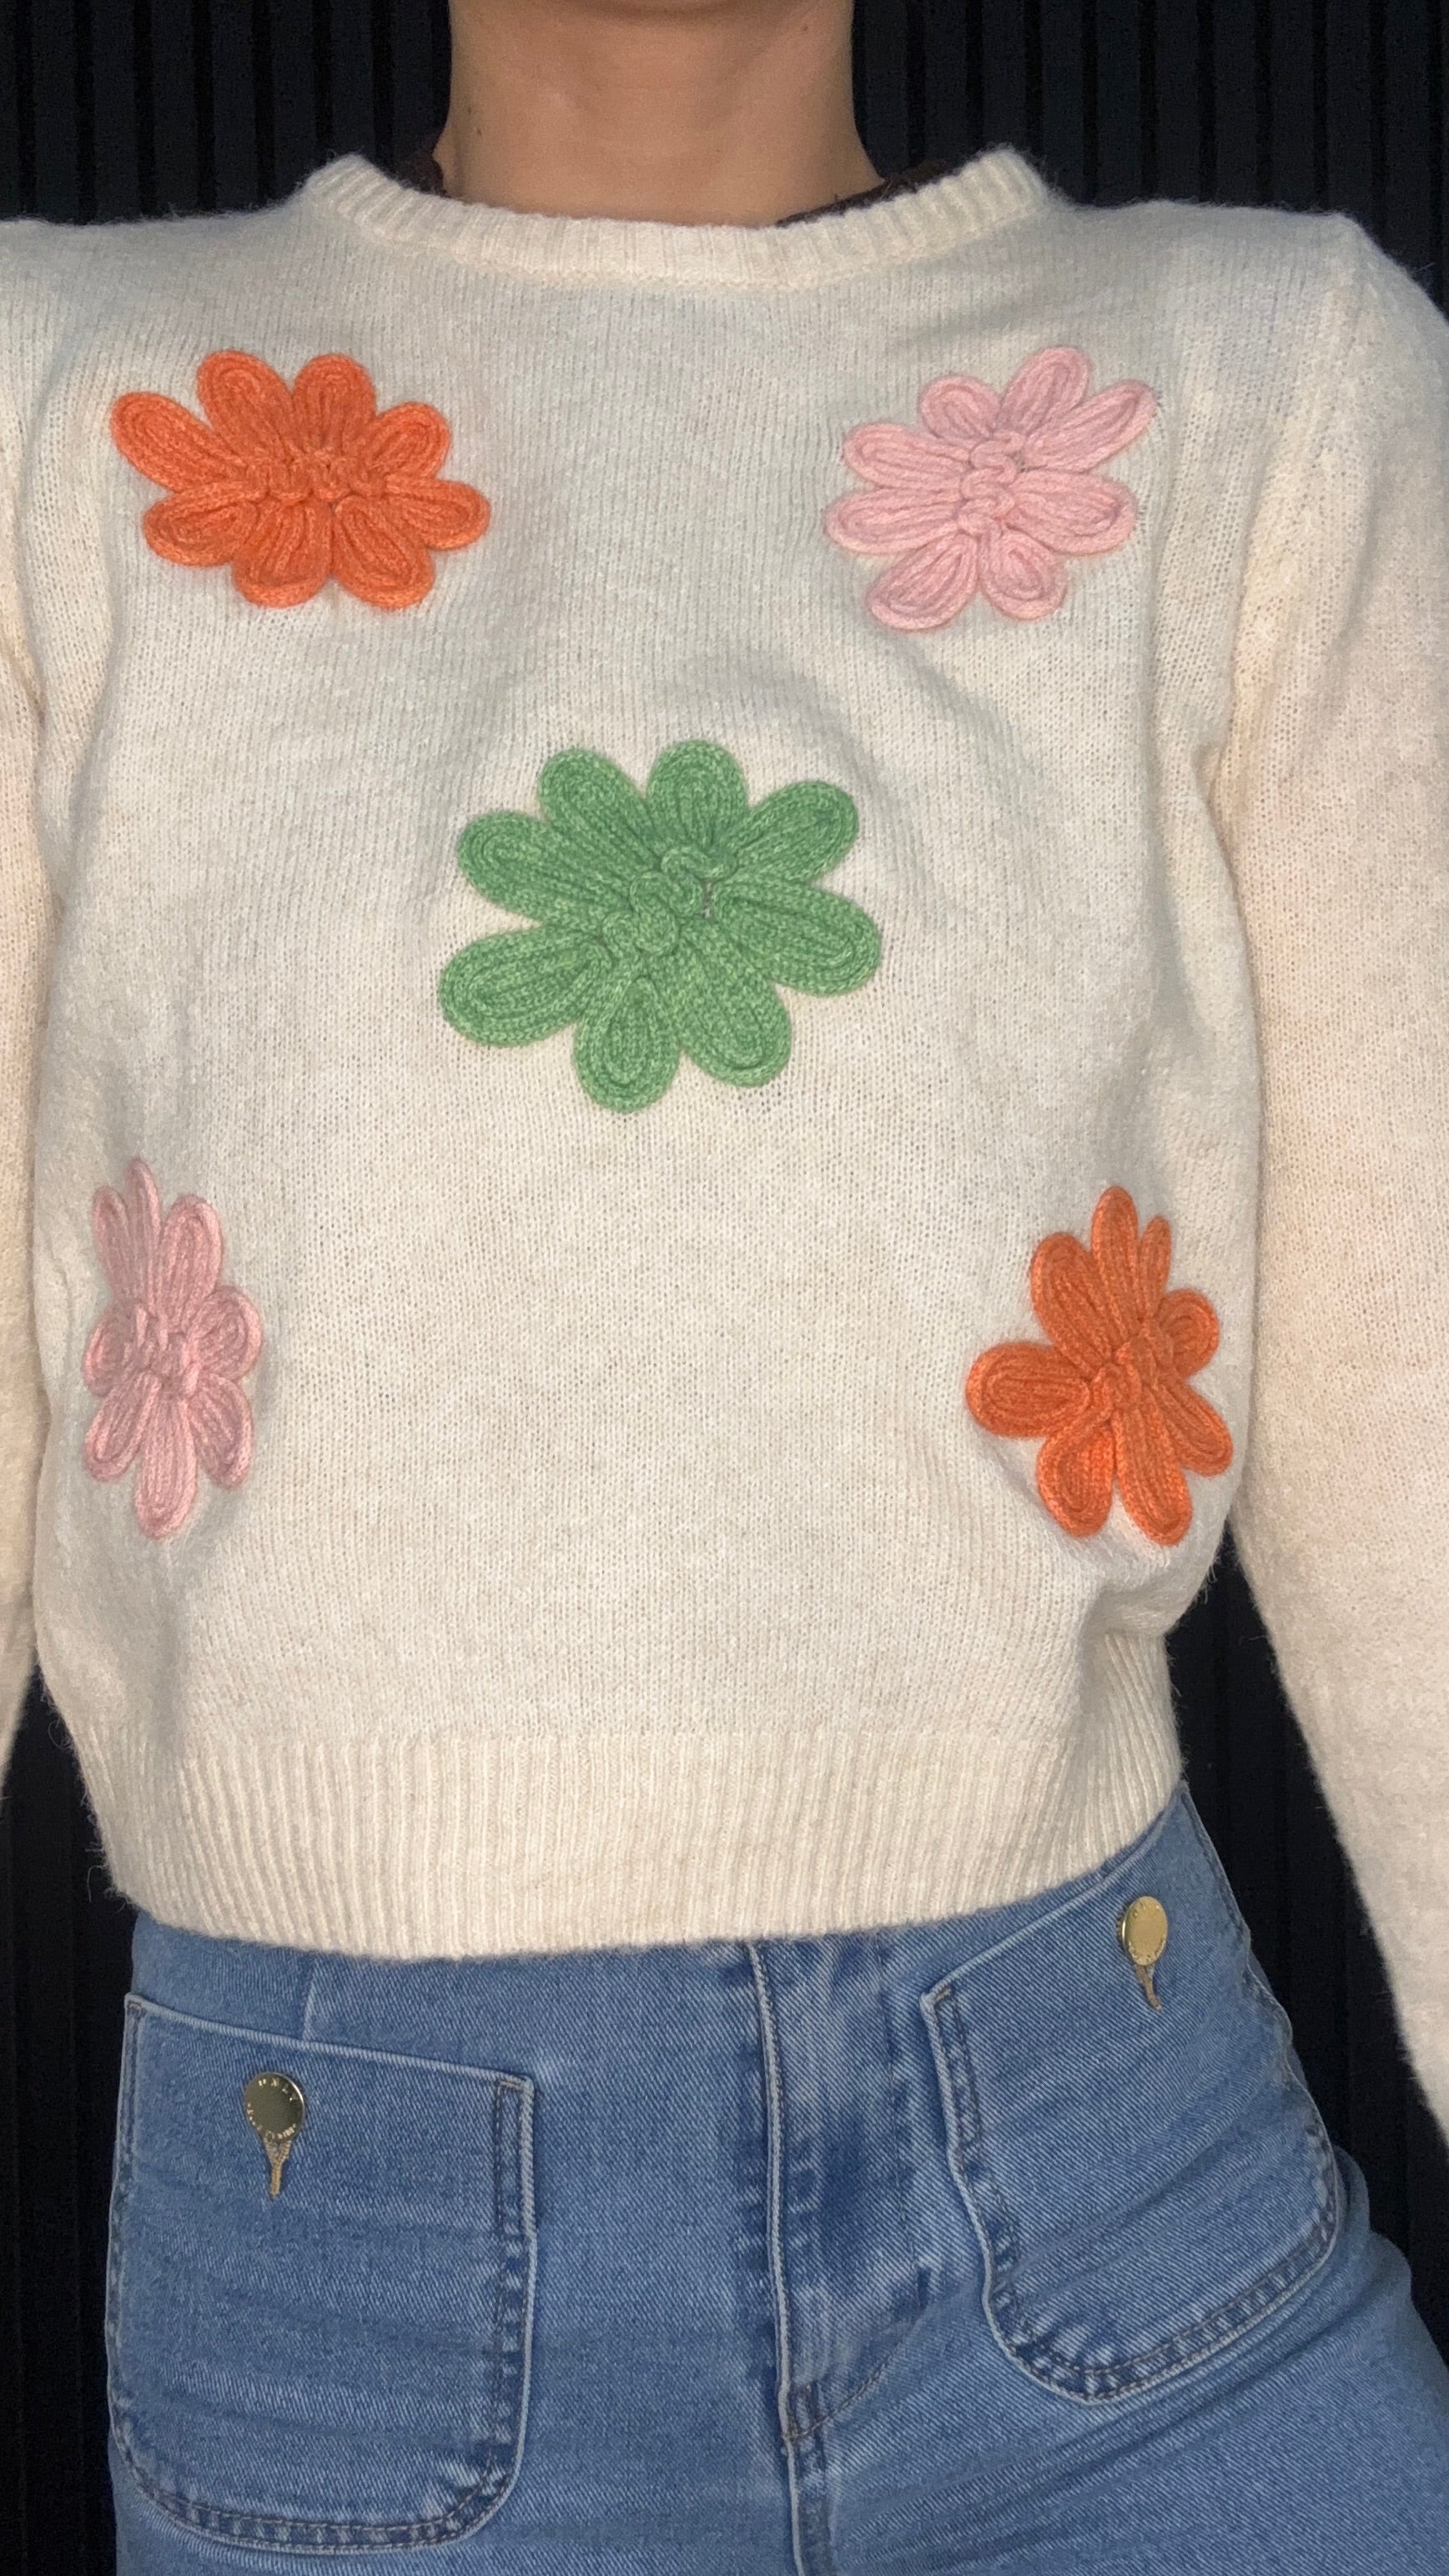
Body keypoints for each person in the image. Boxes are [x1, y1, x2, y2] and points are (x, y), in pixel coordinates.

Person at [2, 0, 1447, 2563]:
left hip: (1111, 2191)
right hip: (349, 2270)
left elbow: (1420, 1397)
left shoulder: (1261, 380)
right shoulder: (62, 395)